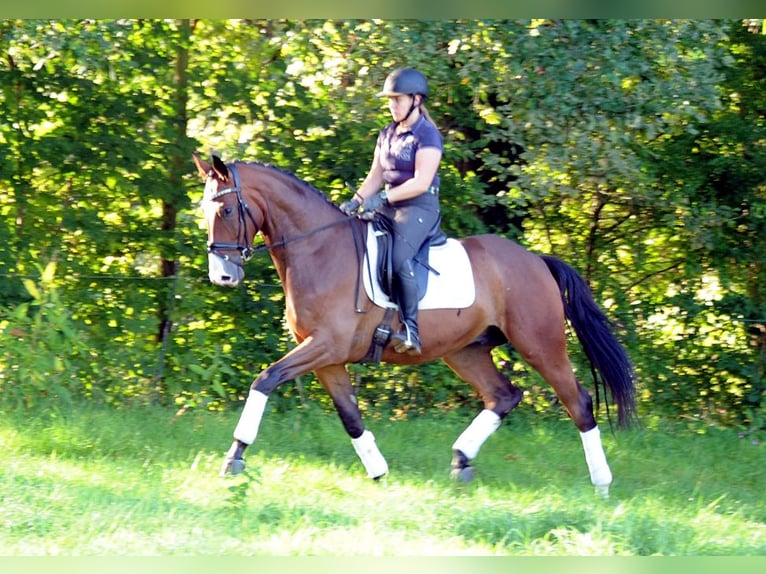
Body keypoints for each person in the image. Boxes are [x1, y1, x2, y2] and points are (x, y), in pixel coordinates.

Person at [340, 67, 443, 356]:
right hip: (388, 205)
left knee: (399, 257)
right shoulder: (387, 133)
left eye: (397, 99)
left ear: (416, 100)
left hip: (419, 207)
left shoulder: (427, 135)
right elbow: (376, 174)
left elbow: (421, 182)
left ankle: (411, 328)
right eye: (390, 100)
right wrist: (356, 200)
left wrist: (385, 196)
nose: (392, 105)